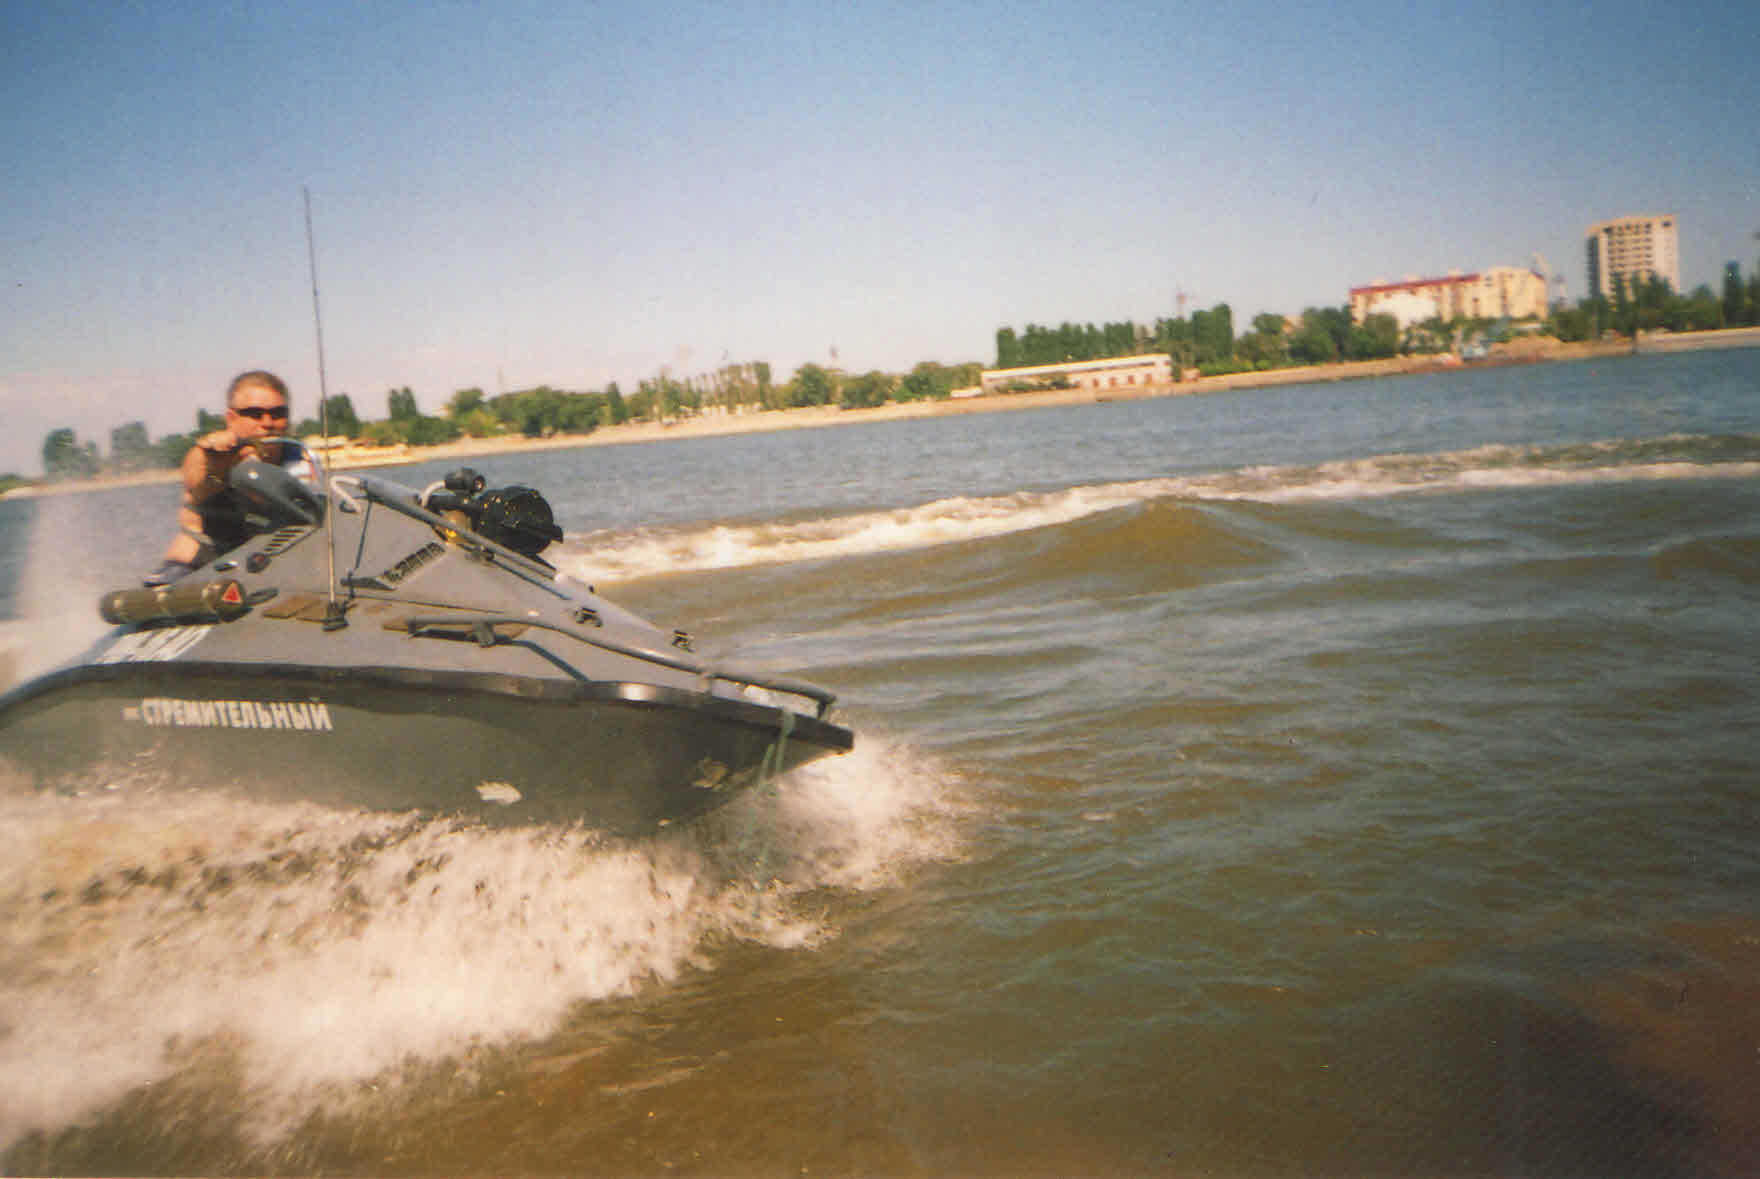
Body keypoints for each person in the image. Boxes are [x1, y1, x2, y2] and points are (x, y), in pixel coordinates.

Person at [144, 370, 318, 586]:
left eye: (278, 413)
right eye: (255, 413)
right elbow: (196, 481)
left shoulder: (301, 458)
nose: (267, 422)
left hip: (266, 562)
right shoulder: (211, 455)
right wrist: (219, 458)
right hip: (198, 563)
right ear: (231, 418)